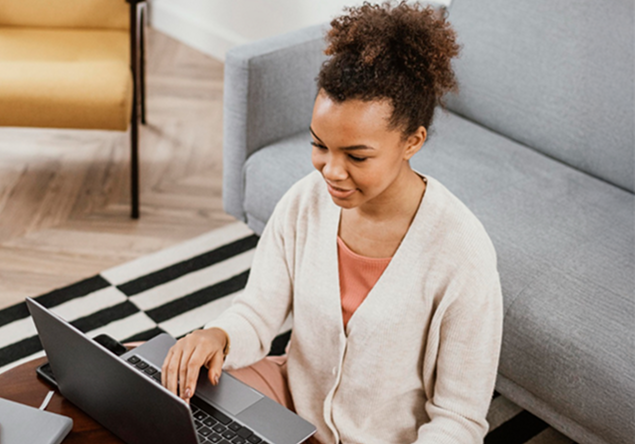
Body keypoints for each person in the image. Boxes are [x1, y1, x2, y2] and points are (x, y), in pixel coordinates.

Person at [161, 2, 503, 443]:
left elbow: (459, 420)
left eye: (357, 156)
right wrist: (218, 335)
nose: (331, 172)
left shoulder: (462, 253)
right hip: (290, 399)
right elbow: (257, 312)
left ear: (412, 141)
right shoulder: (306, 200)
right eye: (320, 145)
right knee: (162, 386)